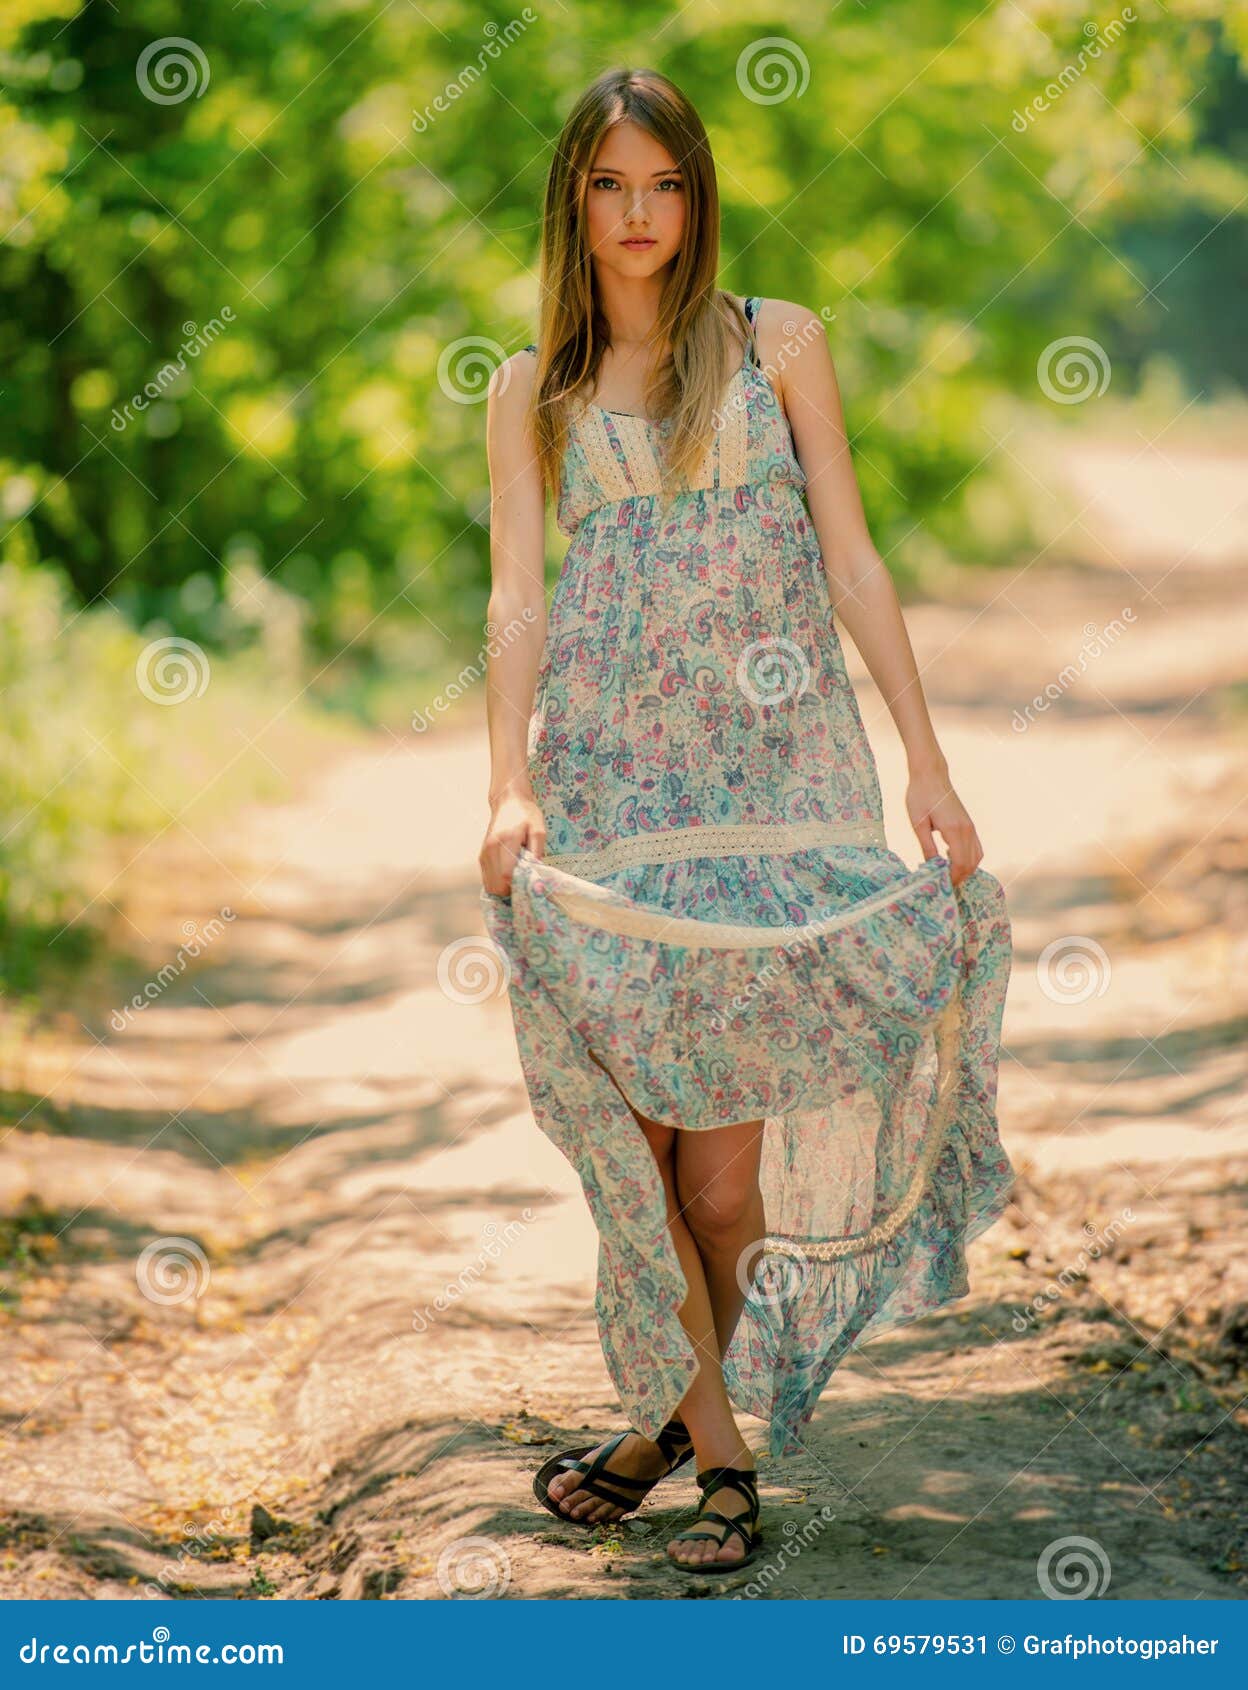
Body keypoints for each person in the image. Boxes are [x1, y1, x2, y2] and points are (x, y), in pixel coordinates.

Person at [478, 65, 1014, 1575]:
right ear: (572, 202)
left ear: (699, 196)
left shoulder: (779, 347)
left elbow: (854, 561)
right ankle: (724, 1466)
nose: (638, 214)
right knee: (635, 1153)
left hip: (775, 794)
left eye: (664, 184)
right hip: (613, 796)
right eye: (608, 185)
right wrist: (508, 782)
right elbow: (518, 599)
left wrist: (928, 759)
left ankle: (658, 1426)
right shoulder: (537, 388)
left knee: (718, 1182)